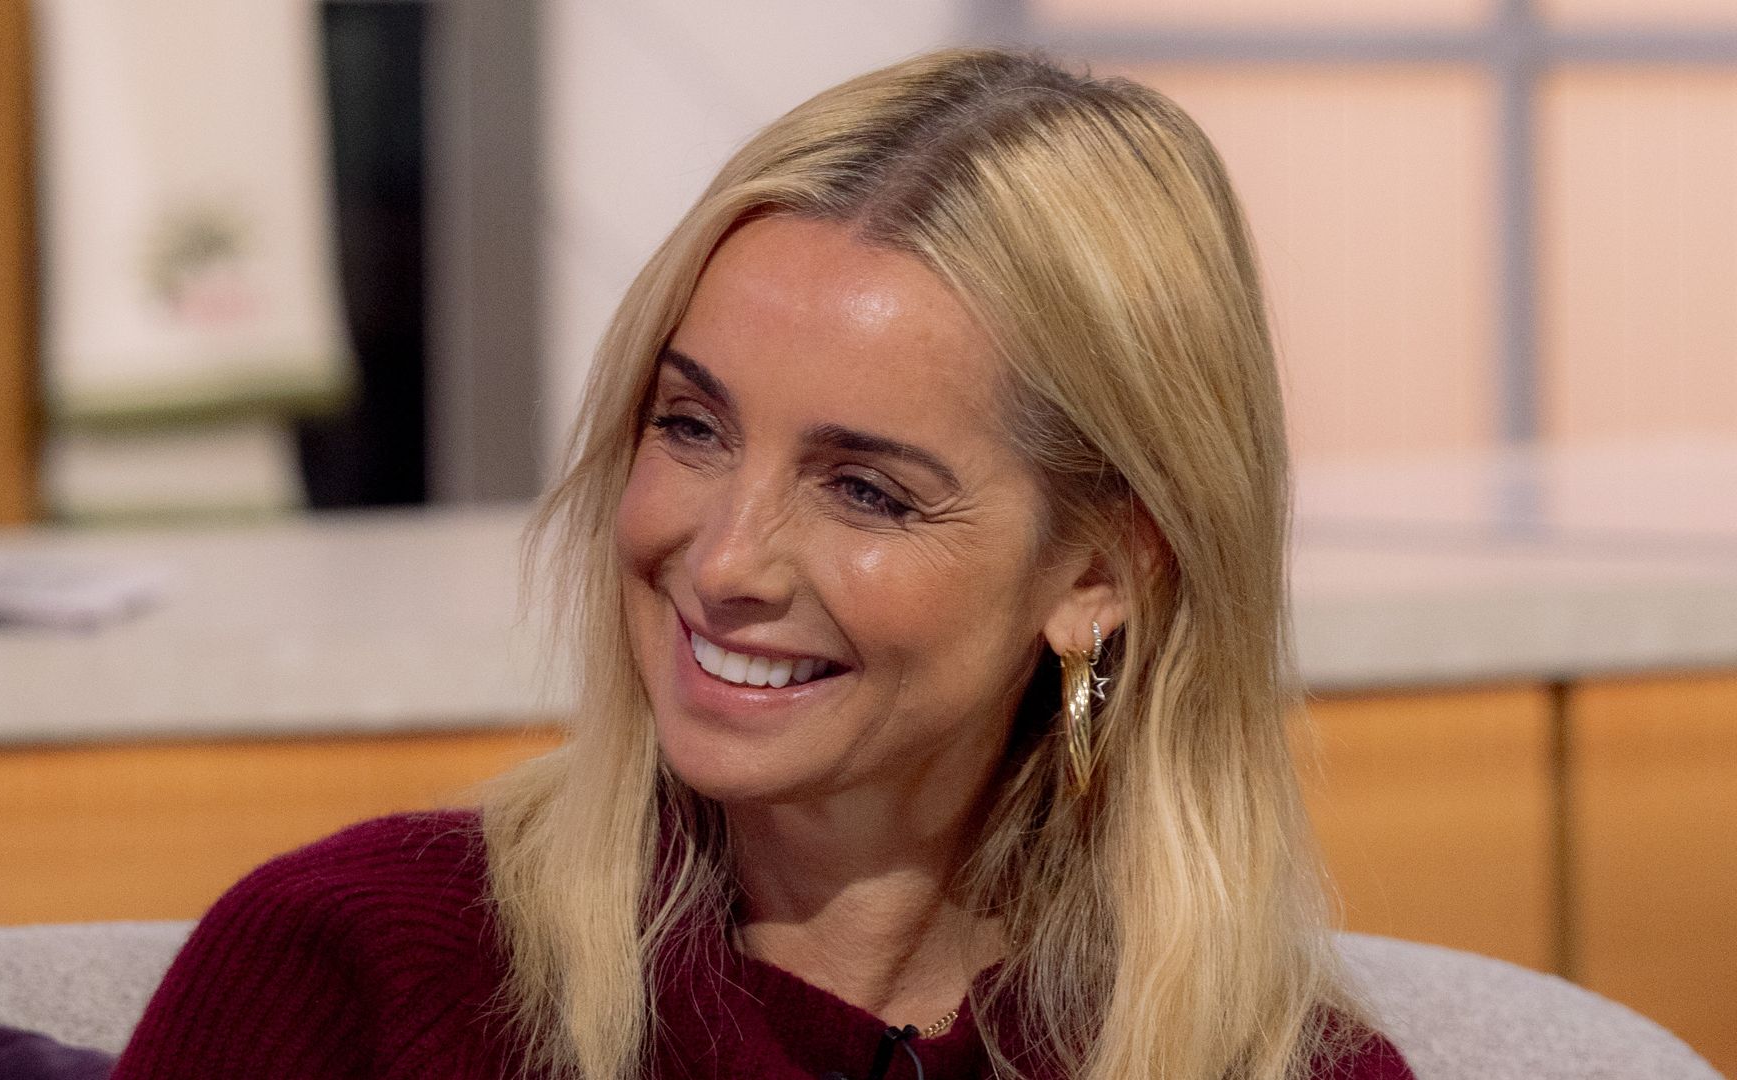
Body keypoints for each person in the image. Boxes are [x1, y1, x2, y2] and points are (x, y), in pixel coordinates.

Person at [111, 48, 1416, 1080]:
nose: (728, 558)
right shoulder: (350, 971)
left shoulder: (1277, 1064)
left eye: (866, 490)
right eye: (692, 426)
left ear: (1098, 574)